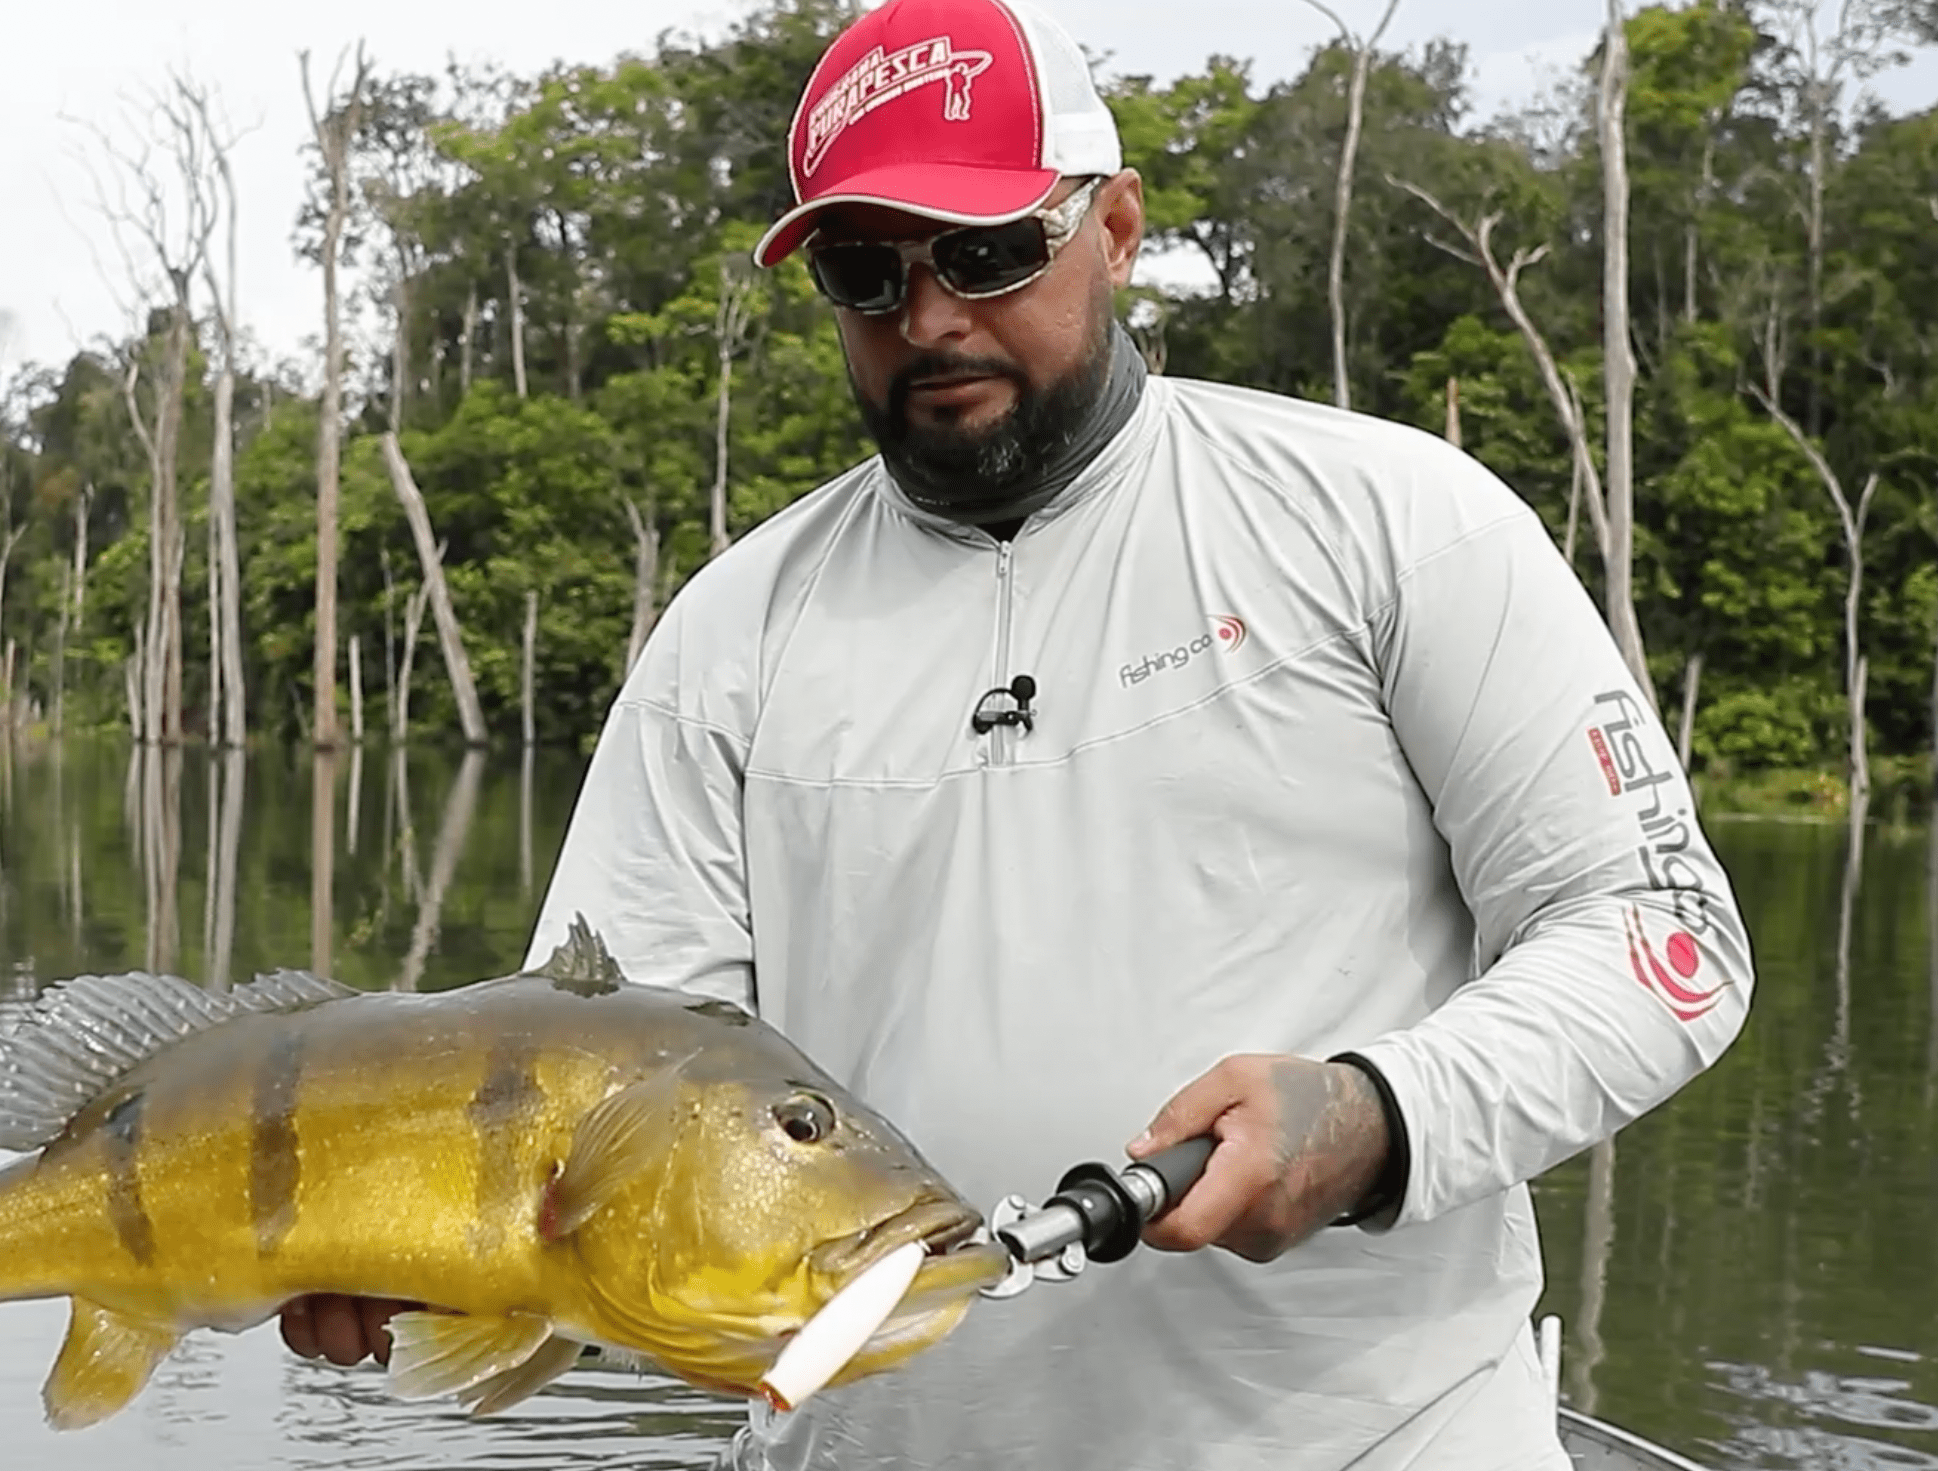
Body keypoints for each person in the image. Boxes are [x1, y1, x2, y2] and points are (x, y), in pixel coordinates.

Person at [282, 0, 1755, 1464]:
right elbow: (608, 1100)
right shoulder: (727, 636)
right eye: (867, 274)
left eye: (987, 253)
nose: (929, 318)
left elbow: (1661, 931)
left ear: (1111, 229)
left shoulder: (1389, 522)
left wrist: (1379, 1114)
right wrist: (448, 1233)